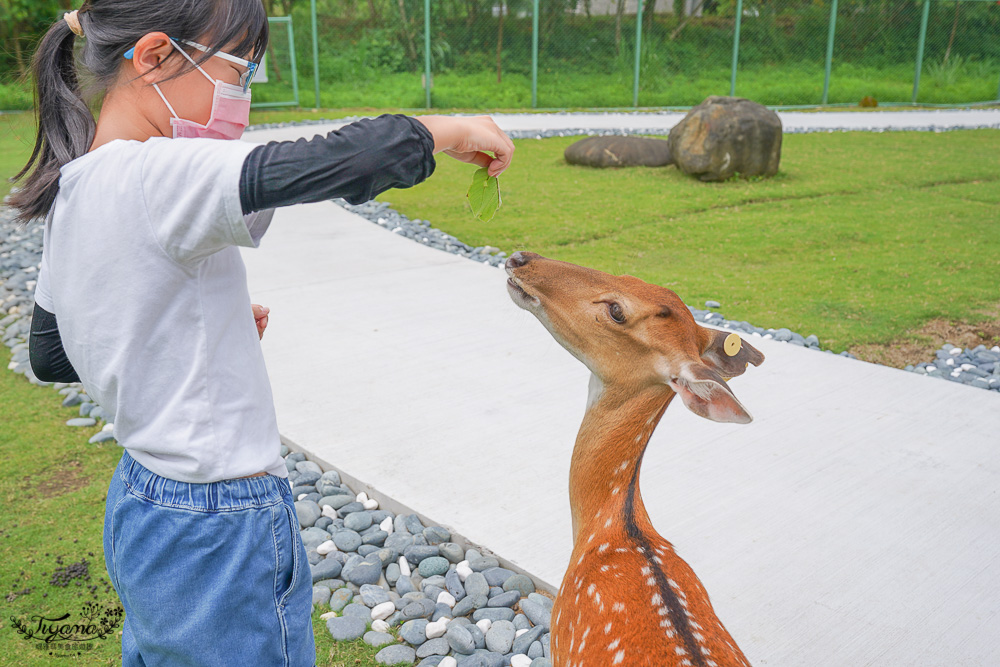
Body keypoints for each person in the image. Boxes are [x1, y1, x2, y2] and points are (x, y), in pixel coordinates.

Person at [12, 1, 514, 665]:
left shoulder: (73, 187)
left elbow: (51, 352)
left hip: (143, 503)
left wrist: (176, 336)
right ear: (155, 55)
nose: (243, 97)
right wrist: (453, 129)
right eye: (240, 73)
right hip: (217, 522)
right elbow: (354, 158)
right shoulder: (157, 171)